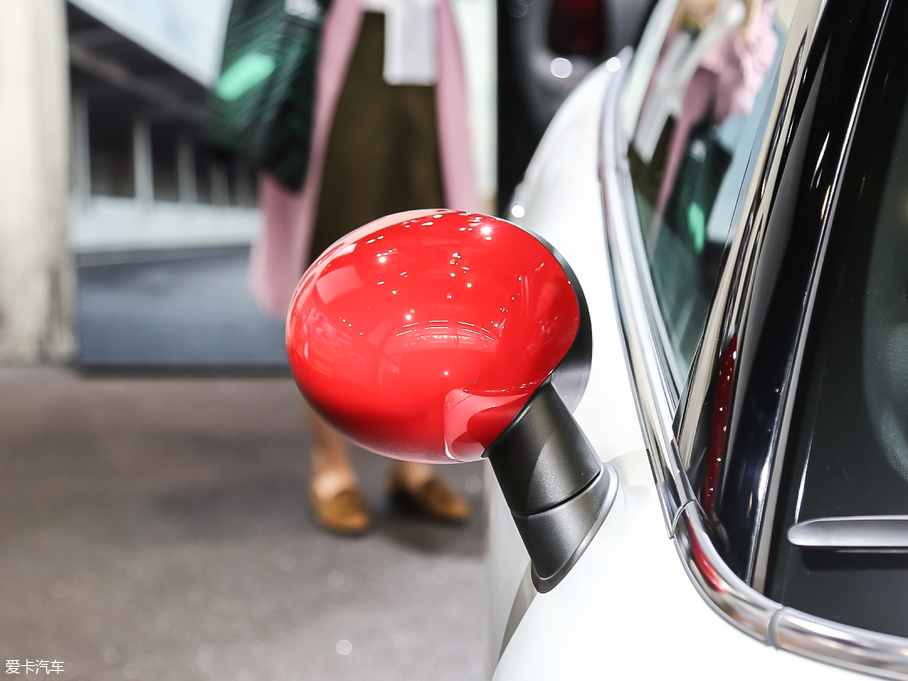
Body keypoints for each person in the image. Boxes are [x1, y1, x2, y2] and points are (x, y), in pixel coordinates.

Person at [249, 0, 480, 533]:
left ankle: (413, 466)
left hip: (424, 49)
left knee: (427, 264)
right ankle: (331, 466)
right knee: (332, 258)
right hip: (345, 42)